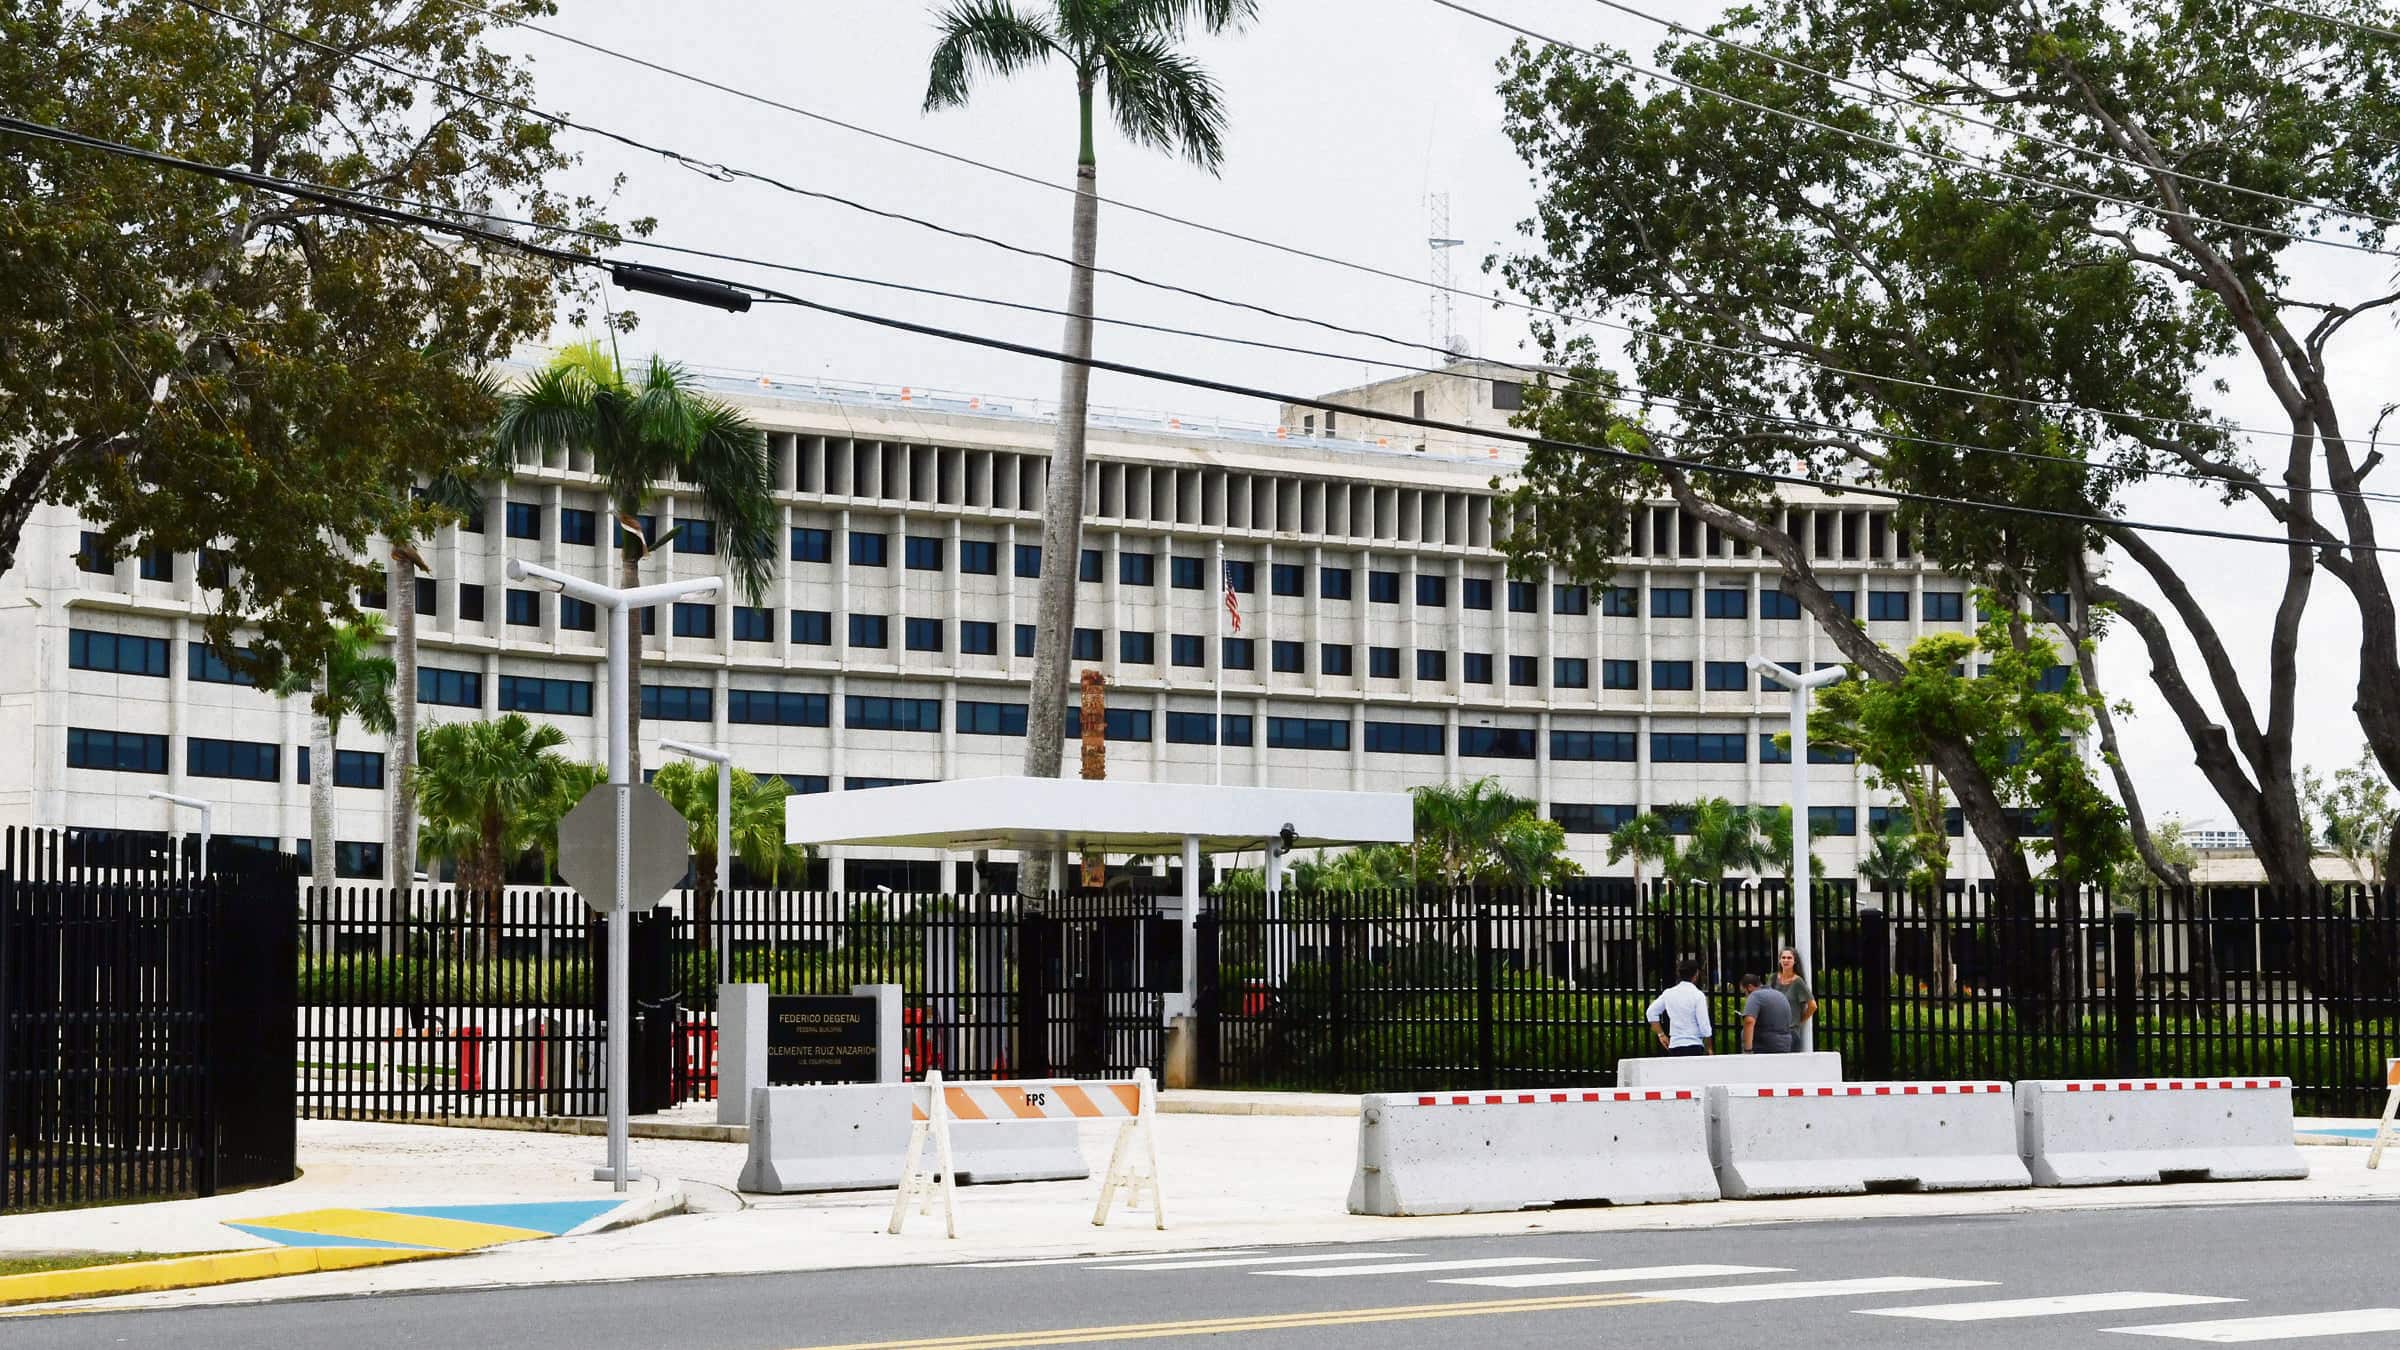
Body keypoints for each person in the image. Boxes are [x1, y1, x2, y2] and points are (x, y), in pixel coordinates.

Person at [1645, 958, 1713, 1057]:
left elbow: (1651, 1012)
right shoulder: (1698, 995)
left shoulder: (1669, 993)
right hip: (1694, 1045)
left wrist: (1661, 1034)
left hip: (1675, 1046)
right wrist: (1709, 1048)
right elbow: (1704, 1025)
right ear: (1696, 974)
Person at [1739, 973, 1794, 1053]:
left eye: (1744, 992)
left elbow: (1749, 1021)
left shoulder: (1755, 996)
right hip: (1785, 1045)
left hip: (1763, 1047)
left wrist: (1748, 1050)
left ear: (1750, 987)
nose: (1745, 996)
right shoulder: (1779, 994)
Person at [1774, 946, 1817, 1043]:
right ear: (1780, 960)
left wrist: (1800, 1021)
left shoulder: (1798, 982)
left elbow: (1813, 1006)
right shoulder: (1773, 979)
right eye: (1783, 957)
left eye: (1789, 958)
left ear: (1795, 961)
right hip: (1774, 1032)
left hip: (1790, 1032)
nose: (1786, 960)